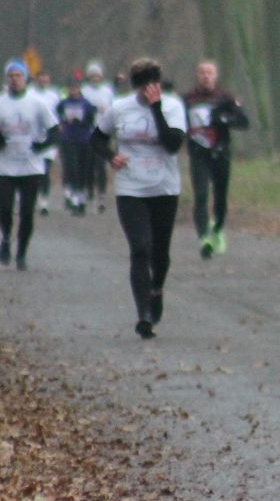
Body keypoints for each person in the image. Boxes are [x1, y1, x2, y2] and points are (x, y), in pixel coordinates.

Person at [91, 58, 186, 339]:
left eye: (153, 85)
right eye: (143, 86)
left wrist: (157, 109)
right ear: (135, 87)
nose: (148, 91)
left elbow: (172, 145)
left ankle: (156, 289)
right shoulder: (119, 108)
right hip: (130, 188)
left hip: (165, 188)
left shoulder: (172, 106)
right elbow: (95, 139)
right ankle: (143, 313)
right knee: (140, 249)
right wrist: (111, 156)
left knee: (160, 253)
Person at [0, 59, 59, 270]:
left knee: (27, 212)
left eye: (18, 76)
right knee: (4, 209)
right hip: (5, 165)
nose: (15, 80)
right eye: (11, 76)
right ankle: (7, 237)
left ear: (26, 78)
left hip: (31, 165)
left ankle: (21, 253)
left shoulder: (37, 103)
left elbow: (55, 130)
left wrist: (42, 146)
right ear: (6, 79)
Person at [184, 59, 250, 258]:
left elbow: (244, 122)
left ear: (216, 75)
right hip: (198, 154)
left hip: (220, 153)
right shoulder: (187, 99)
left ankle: (218, 228)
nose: (206, 76)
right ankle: (204, 237)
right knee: (201, 195)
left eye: (210, 73)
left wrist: (225, 119)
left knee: (220, 196)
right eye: (203, 72)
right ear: (197, 75)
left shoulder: (225, 97)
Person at [56, 74, 97, 216]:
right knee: (71, 169)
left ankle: (81, 199)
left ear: (79, 89)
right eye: (70, 88)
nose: (73, 90)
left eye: (75, 88)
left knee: (82, 170)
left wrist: (81, 122)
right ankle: (73, 198)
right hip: (68, 139)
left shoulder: (86, 104)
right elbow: (58, 118)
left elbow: (91, 121)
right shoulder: (63, 104)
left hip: (84, 140)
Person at [81, 60, 115, 211]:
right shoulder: (84, 90)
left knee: (101, 165)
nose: (95, 78)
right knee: (88, 165)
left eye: (98, 76)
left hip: (103, 132)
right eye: (92, 76)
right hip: (87, 132)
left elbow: (112, 108)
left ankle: (102, 194)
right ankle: (89, 193)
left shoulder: (107, 91)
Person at [28, 68, 62, 215]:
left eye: (46, 77)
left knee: (45, 171)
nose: (43, 80)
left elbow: (60, 114)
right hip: (32, 137)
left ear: (49, 79)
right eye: (41, 77)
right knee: (31, 171)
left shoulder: (54, 95)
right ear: (37, 79)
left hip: (49, 136)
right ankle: (28, 198)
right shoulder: (30, 93)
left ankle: (44, 201)